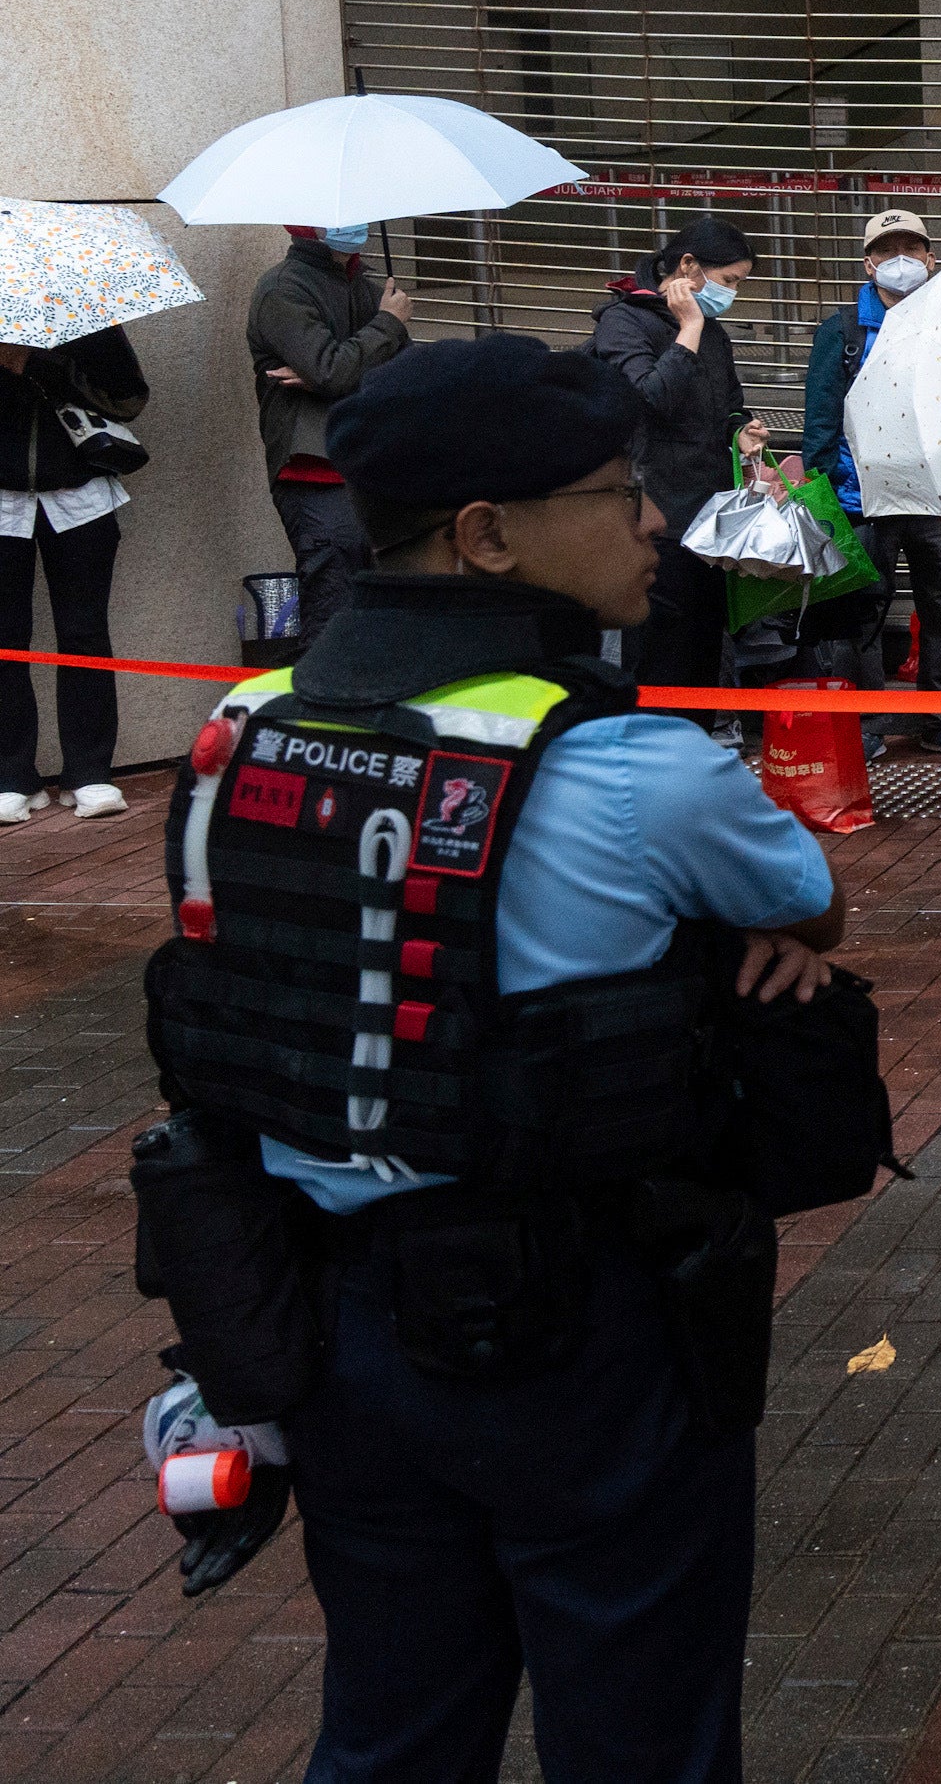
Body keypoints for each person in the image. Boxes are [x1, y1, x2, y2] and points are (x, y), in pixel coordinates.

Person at [139, 334, 847, 1784]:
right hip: (589, 1342)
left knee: (393, 1732)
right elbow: (803, 900)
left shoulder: (235, 733)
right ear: (486, 536)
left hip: (330, 1340)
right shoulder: (634, 770)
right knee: (641, 1742)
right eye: (615, 488)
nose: (656, 517)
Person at [801, 207, 941, 757]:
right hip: (862, 496)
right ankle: (866, 721)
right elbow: (820, 420)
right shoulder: (842, 331)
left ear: (930, 257)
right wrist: (831, 491)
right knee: (863, 609)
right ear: (869, 262)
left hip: (931, 494)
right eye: (887, 250)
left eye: (911, 249)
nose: (901, 260)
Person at [588, 214, 766, 701]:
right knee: (656, 658)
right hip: (654, 520)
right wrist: (688, 328)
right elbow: (646, 400)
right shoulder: (624, 321)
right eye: (729, 281)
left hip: (708, 523)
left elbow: (729, 406)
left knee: (701, 657)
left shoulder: (714, 334)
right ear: (688, 266)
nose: (733, 294)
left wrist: (741, 431)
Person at [0, 326, 148, 823]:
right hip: (2, 500)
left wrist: (40, 365)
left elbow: (129, 398)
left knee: (85, 632)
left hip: (81, 497)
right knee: (5, 637)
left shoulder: (84, 316)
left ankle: (88, 772)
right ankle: (11, 775)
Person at [249, 224, 413, 636]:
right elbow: (332, 370)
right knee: (332, 606)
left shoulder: (372, 287)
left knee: (383, 610)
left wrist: (337, 370)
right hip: (313, 467)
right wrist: (386, 327)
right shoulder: (282, 289)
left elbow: (404, 375)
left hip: (372, 463)